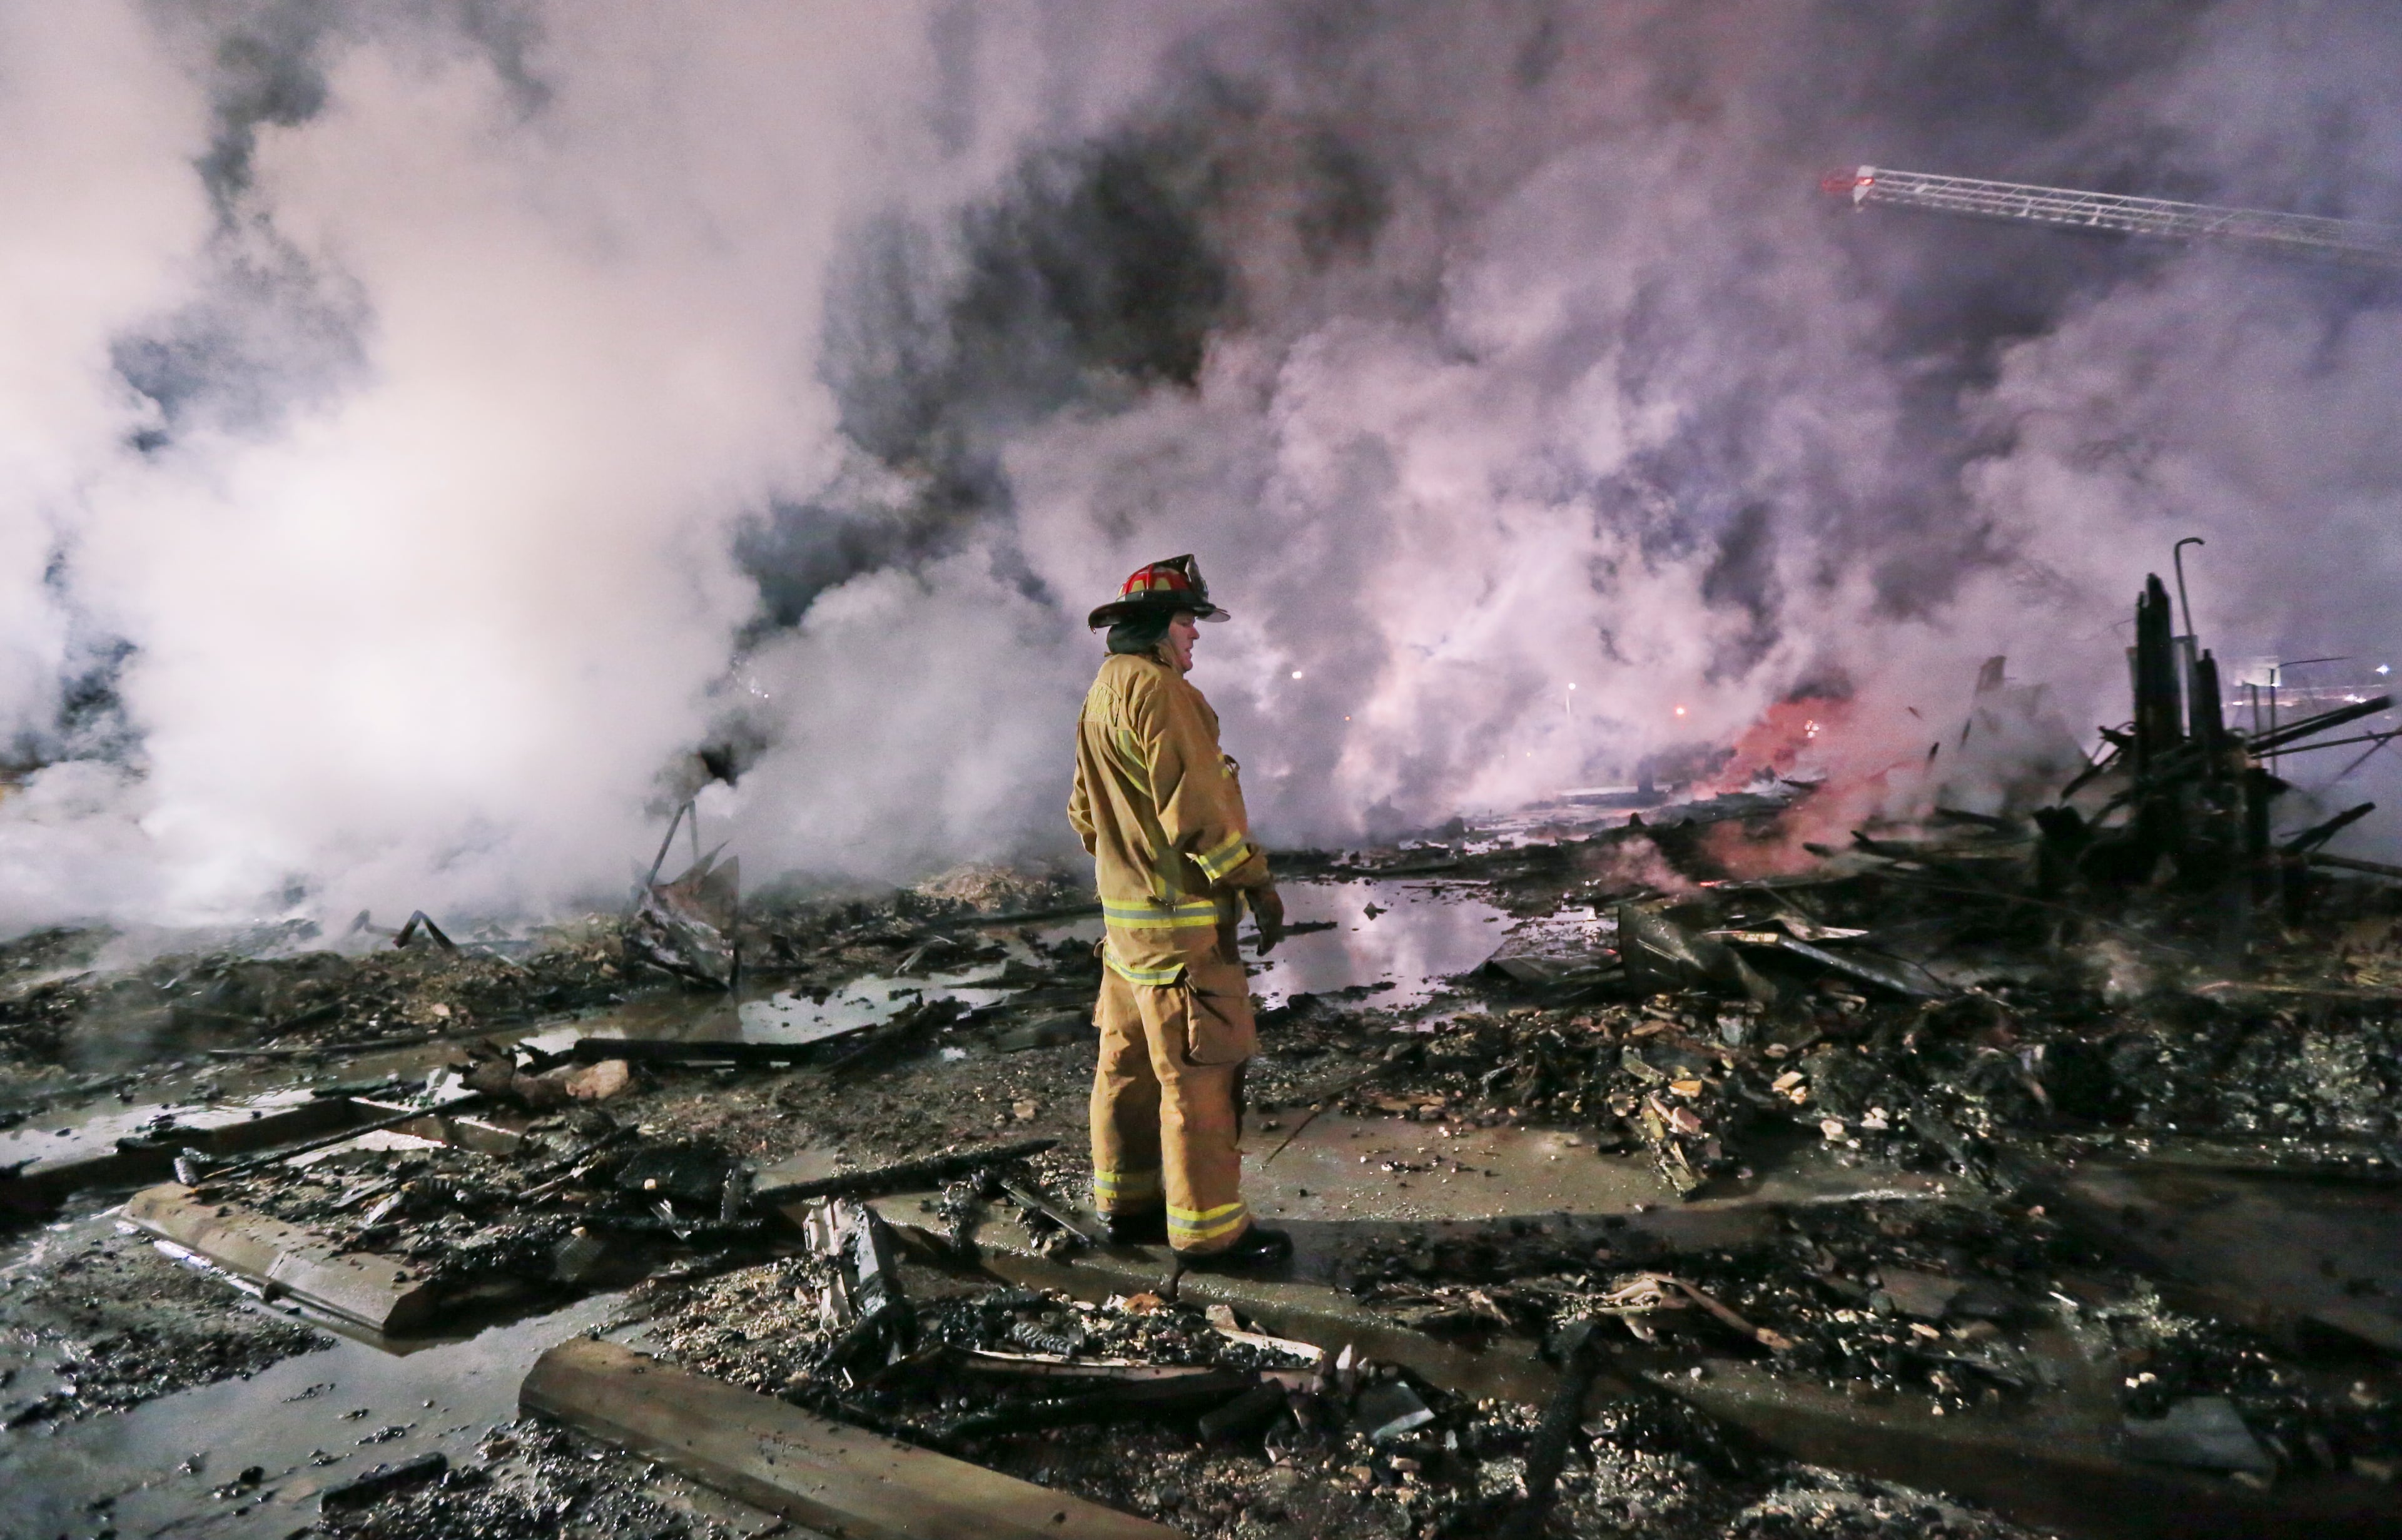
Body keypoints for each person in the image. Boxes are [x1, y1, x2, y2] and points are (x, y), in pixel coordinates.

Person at [1068, 555, 1292, 1267]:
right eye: (1190, 620)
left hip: (1126, 937)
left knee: (1127, 1070)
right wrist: (1255, 880)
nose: (1196, 635)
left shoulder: (1104, 690)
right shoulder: (1164, 694)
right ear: (1160, 628)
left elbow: (1083, 811)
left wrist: (1128, 867)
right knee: (1198, 1078)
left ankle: (1126, 1205)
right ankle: (1210, 1233)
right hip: (1183, 938)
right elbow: (1198, 808)